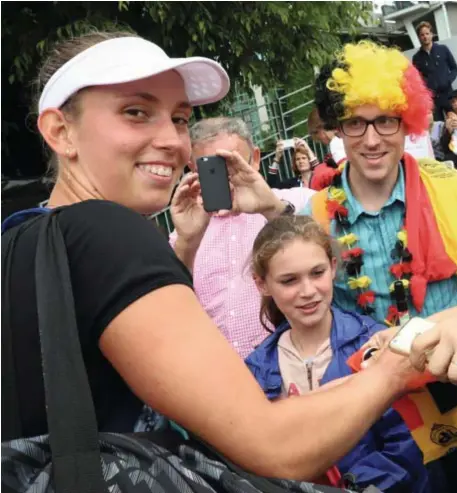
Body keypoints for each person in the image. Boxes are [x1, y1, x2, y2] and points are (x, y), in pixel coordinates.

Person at [2, 30, 431, 482]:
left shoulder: (24, 236)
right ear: (59, 131)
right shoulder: (107, 233)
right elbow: (277, 446)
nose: (171, 140)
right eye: (136, 112)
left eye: (180, 118)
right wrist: (403, 361)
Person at [304, 40, 457, 492]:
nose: (372, 139)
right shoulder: (317, 215)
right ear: (338, 127)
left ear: (407, 121)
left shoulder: (449, 189)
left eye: (385, 120)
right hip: (378, 421)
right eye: (356, 122)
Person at [245, 215, 431, 492]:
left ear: (333, 268)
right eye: (289, 280)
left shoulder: (375, 344)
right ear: (262, 284)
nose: (307, 291)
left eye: (316, 273)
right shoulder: (256, 369)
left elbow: (409, 442)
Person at [170, 117, 315, 358]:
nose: (225, 178)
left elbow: (328, 254)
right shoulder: (184, 231)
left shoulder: (297, 201)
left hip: (295, 367)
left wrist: (272, 210)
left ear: (255, 158)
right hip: (220, 376)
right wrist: (187, 242)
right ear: (192, 169)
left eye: (234, 164)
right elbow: (170, 303)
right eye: (210, 170)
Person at [412, 21, 457, 121]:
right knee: (438, 128)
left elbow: (454, 68)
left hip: (448, 95)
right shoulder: (417, 58)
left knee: (454, 123)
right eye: (422, 35)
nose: (425, 37)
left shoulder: (443, 49)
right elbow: (417, 80)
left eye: (427, 34)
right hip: (432, 99)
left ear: (432, 34)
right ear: (419, 37)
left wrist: (448, 80)